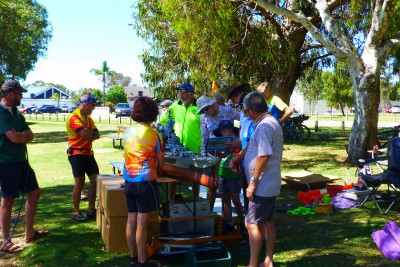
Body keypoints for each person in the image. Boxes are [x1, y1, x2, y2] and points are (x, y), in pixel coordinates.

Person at [230, 92, 283, 267]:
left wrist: (252, 183)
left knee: (251, 224)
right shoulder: (262, 123)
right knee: (267, 222)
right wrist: (237, 159)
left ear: (251, 110)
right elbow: (252, 145)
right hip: (267, 184)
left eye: (245, 111)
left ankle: (253, 264)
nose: (244, 114)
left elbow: (263, 156)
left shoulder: (265, 126)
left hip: (262, 185)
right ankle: (268, 261)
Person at [0, 80, 48, 253]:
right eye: (20, 93)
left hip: (21, 161)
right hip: (6, 163)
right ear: (11, 93)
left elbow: (30, 135)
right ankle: (6, 241)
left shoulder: (16, 113)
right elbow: (14, 138)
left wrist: (22, 135)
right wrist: (22, 136)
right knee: (8, 199)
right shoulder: (1, 112)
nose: (22, 96)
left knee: (35, 192)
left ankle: (29, 233)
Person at [123, 97, 164, 267]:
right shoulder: (154, 134)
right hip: (145, 181)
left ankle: (133, 258)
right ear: (153, 113)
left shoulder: (127, 131)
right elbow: (161, 164)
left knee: (131, 219)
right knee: (142, 222)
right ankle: (142, 260)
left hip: (129, 180)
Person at [197, 95, 239, 210]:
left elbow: (241, 122)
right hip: (213, 155)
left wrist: (236, 139)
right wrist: (204, 155)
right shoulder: (204, 118)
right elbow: (204, 138)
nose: (205, 112)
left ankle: (228, 220)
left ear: (213, 104)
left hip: (229, 154)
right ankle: (209, 214)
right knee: (211, 186)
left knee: (229, 190)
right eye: (203, 111)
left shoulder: (228, 111)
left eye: (206, 108)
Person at [66, 93, 100, 222]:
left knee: (95, 180)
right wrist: (90, 133)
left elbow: (97, 134)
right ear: (86, 104)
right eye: (93, 105)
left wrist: (90, 133)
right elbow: (85, 134)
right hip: (76, 155)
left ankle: (91, 209)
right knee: (79, 184)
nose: (94, 108)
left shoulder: (88, 118)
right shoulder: (74, 117)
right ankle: (76, 212)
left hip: (88, 154)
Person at [213, 120, 245, 236]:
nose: (223, 134)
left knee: (236, 199)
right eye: (221, 132)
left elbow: (242, 160)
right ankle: (229, 223)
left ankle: (242, 223)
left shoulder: (238, 141)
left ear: (231, 130)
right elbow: (218, 160)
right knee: (225, 199)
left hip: (234, 175)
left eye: (224, 131)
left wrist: (241, 177)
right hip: (223, 173)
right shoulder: (221, 143)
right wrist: (216, 175)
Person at [225, 82, 252, 215]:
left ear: (239, 94)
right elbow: (241, 130)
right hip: (244, 157)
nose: (235, 103)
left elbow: (252, 138)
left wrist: (238, 144)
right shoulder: (241, 110)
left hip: (252, 156)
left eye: (233, 99)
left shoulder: (251, 108)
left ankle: (255, 230)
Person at [158, 83, 201, 153]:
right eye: (180, 92)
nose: (181, 95)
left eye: (184, 92)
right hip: (177, 149)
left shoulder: (199, 107)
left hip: (195, 150)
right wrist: (157, 125)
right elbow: (164, 118)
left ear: (192, 94)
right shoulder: (174, 106)